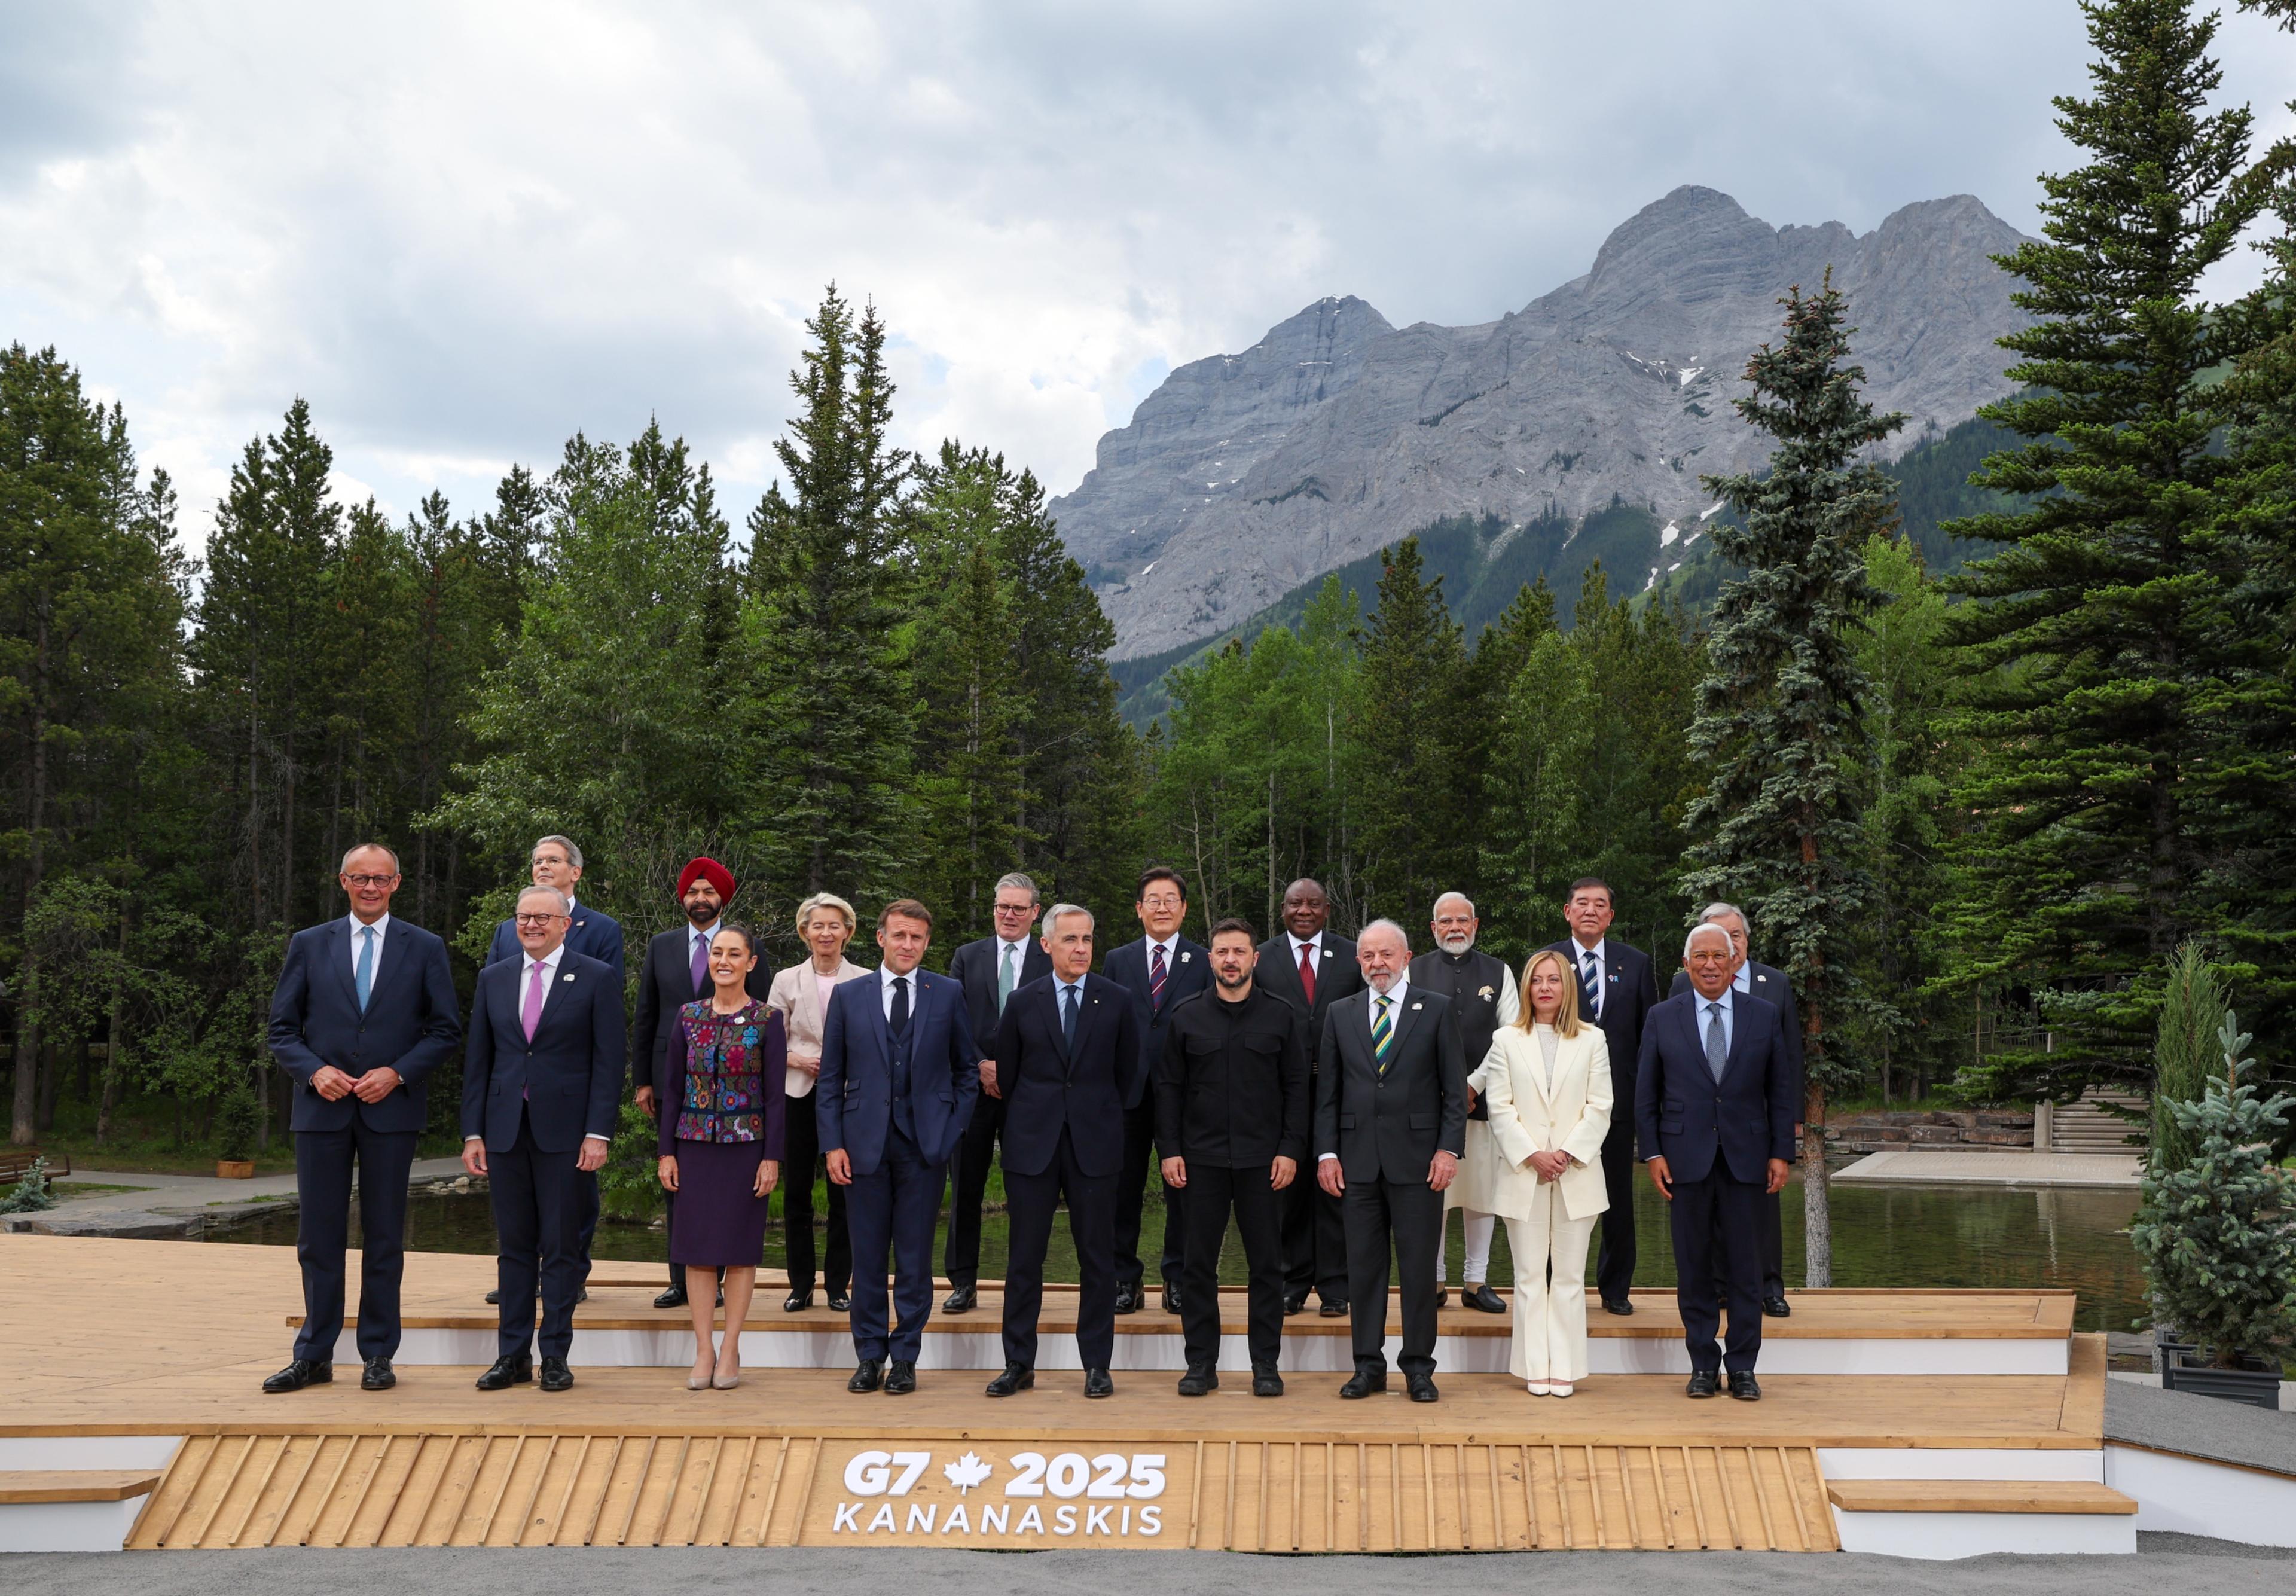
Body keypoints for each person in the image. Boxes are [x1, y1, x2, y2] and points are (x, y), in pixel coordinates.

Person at [262, 844, 462, 1394]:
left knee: (384, 1238)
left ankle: (378, 1354)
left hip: (390, 1113)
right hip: (321, 1111)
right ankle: (314, 1354)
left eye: (380, 878)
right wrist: (312, 1071)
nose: (370, 887)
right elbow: (282, 1030)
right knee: (318, 1239)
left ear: (397, 883)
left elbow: (445, 1031)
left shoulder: (423, 947)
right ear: (343, 881)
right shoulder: (309, 943)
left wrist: (397, 1073)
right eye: (359, 878)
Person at [461, 885, 626, 1393]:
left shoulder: (595, 977)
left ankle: (555, 1354)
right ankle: (511, 1355)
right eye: (523, 917)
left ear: (564, 924)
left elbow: (609, 1060)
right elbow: (479, 1060)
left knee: (558, 1248)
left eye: (541, 917)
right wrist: (473, 1131)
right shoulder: (494, 977)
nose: (531, 924)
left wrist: (598, 1131)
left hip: (567, 1131)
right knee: (514, 1248)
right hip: (505, 1128)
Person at [819, 899, 980, 1396]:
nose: (908, 944)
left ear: (927, 943)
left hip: (925, 1148)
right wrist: (833, 1145)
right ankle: (869, 1355)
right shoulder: (849, 996)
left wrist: (951, 1131)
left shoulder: (948, 992)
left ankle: (906, 1356)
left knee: (914, 1260)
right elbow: (830, 1079)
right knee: (867, 1258)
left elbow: (967, 1071)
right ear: (881, 938)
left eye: (917, 937)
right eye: (900, 935)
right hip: (862, 1146)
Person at [987, 903, 1144, 1399]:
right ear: (1046, 944)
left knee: (1098, 1259)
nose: (1081, 949)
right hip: (1032, 1145)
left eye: (1087, 939)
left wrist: (1096, 1115)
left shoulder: (1116, 999)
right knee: (1023, 1260)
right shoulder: (1021, 1000)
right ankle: (1018, 1363)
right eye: (1071, 939)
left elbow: (1130, 1076)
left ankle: (1096, 1364)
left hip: (1095, 1147)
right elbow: (1009, 1076)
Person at [1636, 923, 1796, 1400]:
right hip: (1684, 1161)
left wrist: (1781, 1153)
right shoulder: (1663, 1017)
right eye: (1700, 956)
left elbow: (1781, 1091)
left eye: (1719, 956)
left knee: (1747, 1269)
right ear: (1686, 965)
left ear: (1734, 963)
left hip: (1748, 1160)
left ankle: (1743, 1367)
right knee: (1694, 1268)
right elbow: (1646, 1094)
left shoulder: (1763, 1015)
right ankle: (1703, 1365)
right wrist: (1653, 1152)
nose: (1709, 964)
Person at [1314, 920, 1467, 1403]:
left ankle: (1419, 1368)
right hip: (1356, 1164)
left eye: (1386, 954)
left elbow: (1453, 1090)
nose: (1377, 963)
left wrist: (1448, 1148)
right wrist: (1327, 1151)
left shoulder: (1438, 1010)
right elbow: (1328, 1093)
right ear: (1359, 961)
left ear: (1406, 957)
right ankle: (1368, 1366)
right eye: (1368, 956)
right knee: (1363, 1270)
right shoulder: (1341, 1012)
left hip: (1420, 1163)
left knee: (1419, 1271)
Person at [1155, 917, 1308, 1397]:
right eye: (1222, 951)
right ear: (1211, 959)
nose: (1230, 960)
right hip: (1199, 1161)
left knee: (1267, 1265)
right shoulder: (1185, 1015)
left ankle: (1266, 1363)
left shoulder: (1281, 1016)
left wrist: (1290, 1149)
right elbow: (1168, 1090)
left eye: (1240, 951)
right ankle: (1201, 1362)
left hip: (1264, 1162)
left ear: (1254, 959)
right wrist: (1170, 1150)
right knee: (1197, 1265)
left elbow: (1297, 1089)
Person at [481, 835, 624, 1306]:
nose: (543, 866)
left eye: (553, 860)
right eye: (537, 859)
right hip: (513, 1099)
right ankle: (519, 1283)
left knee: (573, 1202)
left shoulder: (600, 929)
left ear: (574, 872)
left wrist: (598, 1123)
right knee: (516, 1218)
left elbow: (604, 1029)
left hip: (568, 1093)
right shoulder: (508, 929)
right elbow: (494, 1009)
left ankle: (569, 1276)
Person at [633, 856, 771, 1310]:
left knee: (733, 1193)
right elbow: (646, 1014)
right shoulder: (661, 944)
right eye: (693, 892)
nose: (700, 899)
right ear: (683, 898)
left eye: (708, 892)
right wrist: (642, 1080)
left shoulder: (748, 948)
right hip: (674, 1083)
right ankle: (682, 1279)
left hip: (738, 1092)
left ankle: (726, 1276)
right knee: (678, 1182)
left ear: (722, 898)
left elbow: (763, 1016)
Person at [1473, 950, 1612, 1397]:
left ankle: (1565, 1367)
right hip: (1524, 1173)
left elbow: (1600, 1106)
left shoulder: (1593, 1039)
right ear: (1528, 988)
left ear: (1567, 988)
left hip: (1577, 1173)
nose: (1546, 987)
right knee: (1530, 1276)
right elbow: (1499, 1107)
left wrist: (1567, 1152)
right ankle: (1535, 1365)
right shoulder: (1506, 1040)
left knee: (1570, 1277)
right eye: (1538, 980)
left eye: (1554, 979)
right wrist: (1533, 1153)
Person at [656, 923, 786, 1390]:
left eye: (735, 953)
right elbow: (672, 1088)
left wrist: (772, 1157)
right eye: (717, 952)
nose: (724, 961)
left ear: (751, 962)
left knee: (739, 1251)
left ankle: (731, 1346)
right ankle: (703, 1348)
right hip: (693, 1146)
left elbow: (775, 1096)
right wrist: (666, 1151)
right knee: (697, 1252)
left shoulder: (767, 1020)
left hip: (746, 1148)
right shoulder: (688, 1016)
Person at [1668, 901, 1804, 1318]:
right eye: (1715, 935)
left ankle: (1769, 1286)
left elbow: (1790, 1057)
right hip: (1703, 1122)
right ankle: (1719, 1287)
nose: (1727, 944)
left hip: (1757, 1120)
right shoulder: (1681, 983)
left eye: (1735, 936)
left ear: (1744, 941)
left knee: (1762, 1208)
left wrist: (1791, 1122)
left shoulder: (1773, 983)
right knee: (1707, 1211)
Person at [1544, 877, 1657, 1316]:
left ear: (1611, 915)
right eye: (1581, 903)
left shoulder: (1636, 962)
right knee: (1557, 1197)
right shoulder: (1547, 960)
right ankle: (1555, 1282)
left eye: (1600, 904)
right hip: (1559, 1103)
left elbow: (1650, 1038)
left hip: (1618, 1102)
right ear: (1567, 911)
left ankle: (1615, 1288)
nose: (1590, 910)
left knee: (1615, 1197)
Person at [939, 872, 1051, 1312]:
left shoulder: (1049, 957)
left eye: (1018, 908)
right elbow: (952, 1018)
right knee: (966, 1187)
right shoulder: (968, 956)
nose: (1008, 914)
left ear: (1035, 913)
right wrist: (981, 1064)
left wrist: (1014, 1068)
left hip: (1028, 1093)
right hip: (973, 1087)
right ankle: (963, 1281)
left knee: (1028, 1190)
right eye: (1001, 906)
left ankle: (1023, 1283)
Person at [1103, 866, 1210, 1314]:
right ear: (1139, 909)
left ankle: (1178, 1277)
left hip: (1185, 1095)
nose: (1162, 906)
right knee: (1122, 1189)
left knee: (1183, 1192)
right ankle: (1124, 1278)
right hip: (1126, 1094)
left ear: (1184, 908)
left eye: (1171, 899)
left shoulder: (1203, 960)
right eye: (1154, 899)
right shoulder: (1117, 959)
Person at [1256, 878, 1364, 1318]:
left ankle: (1337, 1286)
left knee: (1336, 1186)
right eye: (1295, 903)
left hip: (1340, 1087)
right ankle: (1293, 1281)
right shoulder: (1263, 957)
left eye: (1313, 904)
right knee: (1290, 1188)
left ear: (1328, 909)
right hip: (1282, 1090)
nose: (1304, 910)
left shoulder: (1352, 954)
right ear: (1282, 909)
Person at [1409, 891, 1518, 1314]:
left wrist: (1472, 1086)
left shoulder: (1499, 970)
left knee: (1480, 1194)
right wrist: (1443, 1091)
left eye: (1463, 920)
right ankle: (1433, 1282)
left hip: (1484, 1101)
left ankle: (1476, 1281)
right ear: (1434, 927)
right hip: (1427, 1102)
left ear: (1476, 925)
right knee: (1434, 1192)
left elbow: (1509, 1035)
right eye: (1446, 921)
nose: (1455, 927)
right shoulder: (1413, 970)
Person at [766, 893, 869, 1313]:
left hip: (848, 1096)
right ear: (804, 931)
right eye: (817, 925)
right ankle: (801, 1284)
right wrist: (799, 1059)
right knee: (798, 1196)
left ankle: (838, 1285)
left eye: (834, 925)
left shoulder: (866, 977)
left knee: (845, 1192)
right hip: (799, 1092)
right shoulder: (785, 979)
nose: (825, 933)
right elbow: (771, 1043)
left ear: (848, 931)